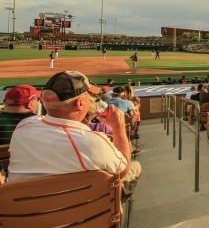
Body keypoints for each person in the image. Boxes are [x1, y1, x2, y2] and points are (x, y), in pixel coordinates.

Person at [8, 71, 141, 200]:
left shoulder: (22, 128)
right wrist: (118, 127)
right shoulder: (92, 141)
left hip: (21, 214)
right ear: (80, 103)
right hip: (87, 215)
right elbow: (123, 170)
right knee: (135, 168)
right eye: (89, 96)